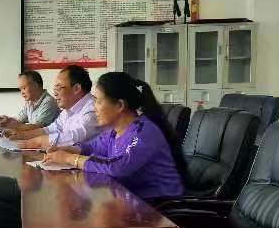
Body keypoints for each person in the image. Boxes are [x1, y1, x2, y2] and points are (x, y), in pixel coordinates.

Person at [44, 71, 186, 201]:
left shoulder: (144, 131)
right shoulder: (114, 132)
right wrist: (69, 149)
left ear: (119, 105)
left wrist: (69, 158)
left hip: (162, 206)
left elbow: (118, 167)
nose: (94, 107)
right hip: (133, 199)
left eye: (98, 101)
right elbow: (92, 147)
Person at [6, 65, 100, 150]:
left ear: (76, 89)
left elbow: (74, 138)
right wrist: (21, 135)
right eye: (55, 89)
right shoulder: (68, 109)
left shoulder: (93, 109)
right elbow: (51, 129)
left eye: (59, 88)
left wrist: (32, 143)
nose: (55, 93)